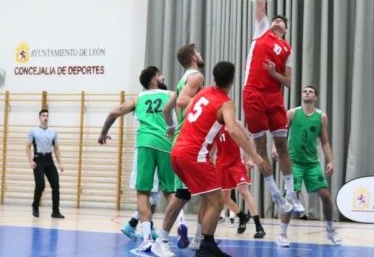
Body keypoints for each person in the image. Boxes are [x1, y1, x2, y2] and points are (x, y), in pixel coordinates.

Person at [165, 61, 270, 257]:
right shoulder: (225, 103)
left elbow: (186, 112)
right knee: (217, 201)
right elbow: (232, 130)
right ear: (232, 80)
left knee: (190, 196)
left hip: (177, 150)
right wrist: (254, 155)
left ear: (213, 77)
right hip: (195, 154)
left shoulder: (202, 93)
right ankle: (206, 245)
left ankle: (175, 239)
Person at [98, 66, 176, 256]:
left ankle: (148, 239)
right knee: (170, 191)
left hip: (145, 144)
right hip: (166, 144)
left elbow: (114, 112)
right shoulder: (171, 94)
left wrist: (103, 132)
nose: (163, 76)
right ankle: (170, 231)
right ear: (154, 80)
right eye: (160, 74)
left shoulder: (138, 98)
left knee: (143, 192)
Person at [243, 0, 298, 214]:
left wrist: (275, 74)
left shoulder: (287, 49)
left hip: (274, 96)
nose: (277, 21)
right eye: (275, 19)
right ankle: (274, 191)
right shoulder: (262, 30)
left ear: (285, 29)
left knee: (282, 145)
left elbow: (289, 82)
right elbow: (259, 7)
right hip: (254, 93)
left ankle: (291, 192)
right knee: (261, 146)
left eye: (281, 22)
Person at [151, 43, 206, 255]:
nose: (200, 54)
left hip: (189, 140)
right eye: (198, 52)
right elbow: (182, 101)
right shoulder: (196, 78)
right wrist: (207, 103)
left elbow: (167, 109)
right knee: (182, 195)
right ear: (193, 57)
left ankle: (199, 239)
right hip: (188, 142)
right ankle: (161, 240)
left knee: (209, 193)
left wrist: (171, 126)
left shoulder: (182, 80)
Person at [277, 86, 341, 247]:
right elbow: (281, 133)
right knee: (291, 196)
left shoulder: (321, 117)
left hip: (312, 163)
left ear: (316, 97)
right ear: (301, 95)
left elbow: (324, 142)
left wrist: (331, 161)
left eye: (311, 92)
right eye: (305, 91)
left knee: (325, 195)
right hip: (293, 162)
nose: (307, 93)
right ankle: (283, 234)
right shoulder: (292, 113)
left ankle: (330, 230)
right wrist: (274, 148)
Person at [214, 124, 266, 239]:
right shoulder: (214, 125)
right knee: (224, 199)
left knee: (244, 192)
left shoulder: (235, 122)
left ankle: (259, 226)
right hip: (221, 164)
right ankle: (242, 216)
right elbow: (211, 146)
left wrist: (251, 158)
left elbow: (248, 138)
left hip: (236, 162)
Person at [25, 109, 65, 218]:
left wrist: (60, 163)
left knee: (56, 185)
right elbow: (27, 147)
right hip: (38, 159)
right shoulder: (33, 131)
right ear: (39, 118)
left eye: (47, 116)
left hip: (49, 160)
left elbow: (56, 148)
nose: (45, 117)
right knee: (40, 185)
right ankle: (35, 206)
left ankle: (55, 211)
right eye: (43, 115)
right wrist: (30, 161)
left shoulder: (53, 132)